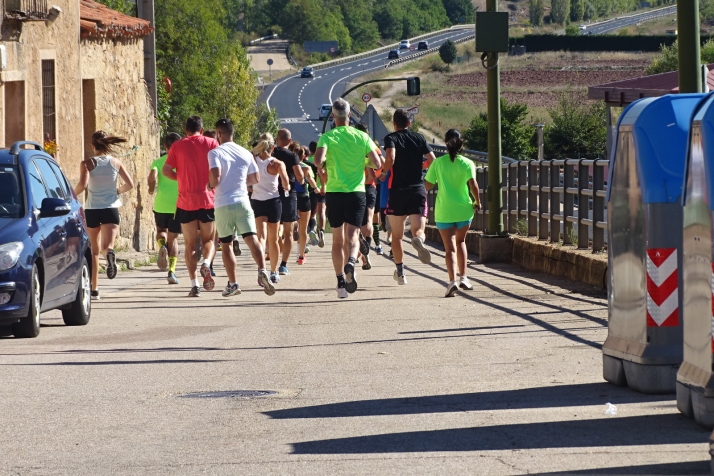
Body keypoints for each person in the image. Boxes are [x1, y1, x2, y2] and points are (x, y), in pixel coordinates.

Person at [314, 98, 382, 298]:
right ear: (350, 115)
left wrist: (326, 162)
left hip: (335, 192)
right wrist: (363, 159)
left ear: (333, 117)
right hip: (357, 192)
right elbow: (377, 163)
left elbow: (317, 161)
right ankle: (351, 261)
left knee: (337, 240)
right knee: (352, 235)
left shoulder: (327, 137)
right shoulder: (361, 136)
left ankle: (340, 284)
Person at [207, 119, 275, 297]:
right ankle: (262, 271)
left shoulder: (215, 153)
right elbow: (255, 179)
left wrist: (210, 185)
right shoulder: (245, 153)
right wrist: (240, 182)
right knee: (252, 239)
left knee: (227, 244)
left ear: (219, 134)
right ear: (233, 133)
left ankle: (233, 283)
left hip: (223, 203)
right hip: (243, 201)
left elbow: (215, 175)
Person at [74, 131, 134, 300]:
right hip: (111, 208)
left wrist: (70, 194)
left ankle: (94, 290)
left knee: (94, 250)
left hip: (93, 209)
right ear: (107, 145)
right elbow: (129, 184)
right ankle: (110, 255)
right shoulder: (116, 162)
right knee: (108, 246)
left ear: (93, 146)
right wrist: (117, 191)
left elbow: (83, 185)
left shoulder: (87, 163)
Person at [162, 116, 219, 297]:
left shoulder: (177, 146)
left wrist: (180, 178)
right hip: (207, 200)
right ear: (201, 130)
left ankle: (194, 284)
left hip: (185, 202)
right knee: (209, 240)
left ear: (186, 130)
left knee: (190, 244)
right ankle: (207, 264)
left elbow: (166, 170)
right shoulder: (212, 143)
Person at [382, 108, 437, 285]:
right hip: (417, 189)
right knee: (418, 230)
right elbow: (433, 160)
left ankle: (401, 272)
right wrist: (420, 168)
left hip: (398, 191)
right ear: (409, 123)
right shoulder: (420, 138)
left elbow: (390, 157)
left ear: (394, 124)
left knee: (396, 236)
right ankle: (419, 240)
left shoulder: (391, 138)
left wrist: (384, 171)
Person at [425, 129, 481, 296]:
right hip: (464, 209)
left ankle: (452, 281)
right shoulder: (467, 163)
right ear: (460, 142)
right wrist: (478, 202)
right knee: (461, 242)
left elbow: (427, 185)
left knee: (449, 249)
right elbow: (473, 185)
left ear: (445, 141)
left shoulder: (438, 163)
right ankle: (464, 277)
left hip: (444, 211)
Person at [251, 133, 291, 284]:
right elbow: (286, 182)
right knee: (273, 240)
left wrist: (250, 187)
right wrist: (286, 189)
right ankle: (274, 272)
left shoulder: (253, 160)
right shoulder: (277, 163)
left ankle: (262, 270)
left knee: (261, 238)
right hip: (273, 202)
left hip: (257, 202)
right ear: (273, 147)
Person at [149, 132, 182, 285]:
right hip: (178, 205)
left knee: (161, 231)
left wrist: (150, 188)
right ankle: (172, 271)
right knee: (173, 238)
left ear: (164, 146)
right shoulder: (182, 162)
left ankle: (162, 246)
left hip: (161, 204)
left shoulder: (159, 161)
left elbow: (152, 176)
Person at [272, 129, 305, 276]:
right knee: (289, 232)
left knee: (272, 231)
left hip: (271, 194)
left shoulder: (271, 154)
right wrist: (302, 179)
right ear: (290, 141)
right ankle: (283, 265)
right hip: (288, 194)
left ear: (277, 140)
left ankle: (271, 262)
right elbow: (299, 176)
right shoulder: (292, 156)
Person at [353, 123, 383, 271]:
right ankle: (366, 252)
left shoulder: (351, 145)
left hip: (354, 186)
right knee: (369, 220)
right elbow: (381, 163)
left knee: (354, 224)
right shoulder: (370, 144)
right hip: (370, 185)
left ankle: (358, 255)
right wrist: (375, 173)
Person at [289, 143, 319, 265]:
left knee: (293, 225)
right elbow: (312, 182)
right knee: (304, 229)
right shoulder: (306, 168)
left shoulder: (288, 167)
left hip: (292, 197)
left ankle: (295, 224)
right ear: (303, 156)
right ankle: (301, 256)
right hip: (304, 197)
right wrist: (317, 189)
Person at [307, 141, 327, 248]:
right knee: (322, 212)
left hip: (313, 189)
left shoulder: (309, 160)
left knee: (313, 213)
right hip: (323, 188)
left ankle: (313, 230)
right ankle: (322, 231)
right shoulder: (322, 161)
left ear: (310, 150)